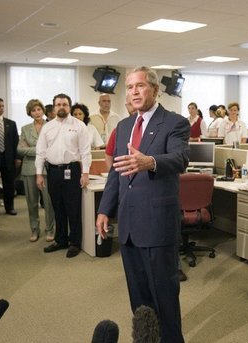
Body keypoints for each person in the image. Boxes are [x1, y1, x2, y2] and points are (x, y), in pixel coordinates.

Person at [96, 66, 189, 342]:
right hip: (128, 228)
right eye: (130, 87)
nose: (134, 92)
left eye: (140, 86)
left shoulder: (174, 122)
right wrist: (104, 209)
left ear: (155, 89)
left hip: (158, 227)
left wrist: (151, 161)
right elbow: (117, 173)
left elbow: (181, 158)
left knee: (164, 299)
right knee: (140, 302)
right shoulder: (124, 126)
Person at [36, 93, 91, 258]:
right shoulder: (47, 127)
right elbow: (41, 152)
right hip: (53, 171)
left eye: (65, 104)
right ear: (54, 107)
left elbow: (85, 151)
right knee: (57, 207)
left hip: (72, 170)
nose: (61, 107)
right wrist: (39, 174)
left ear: (69, 106)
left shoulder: (79, 125)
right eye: (58, 104)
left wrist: (86, 173)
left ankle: (75, 243)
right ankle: (61, 240)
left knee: (73, 208)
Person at [18, 99, 55, 243]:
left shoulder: (51, 126)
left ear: (43, 111)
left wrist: (31, 149)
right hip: (29, 169)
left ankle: (50, 229)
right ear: (30, 113)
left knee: (48, 202)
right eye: (33, 110)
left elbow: (53, 148)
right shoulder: (25, 128)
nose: (37, 112)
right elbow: (20, 149)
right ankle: (34, 229)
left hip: (47, 169)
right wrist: (40, 150)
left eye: (39, 109)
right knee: (31, 202)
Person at [0, 97, 20, 217]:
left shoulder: (11, 124)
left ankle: (9, 207)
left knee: (9, 184)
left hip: (8, 157)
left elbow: (16, 142)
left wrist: (17, 157)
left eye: (3, 106)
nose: (1, 108)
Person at [105, 101, 136, 170]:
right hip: (124, 175)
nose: (134, 108)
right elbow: (109, 154)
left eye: (136, 103)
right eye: (130, 104)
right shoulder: (119, 129)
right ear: (126, 106)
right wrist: (112, 175)